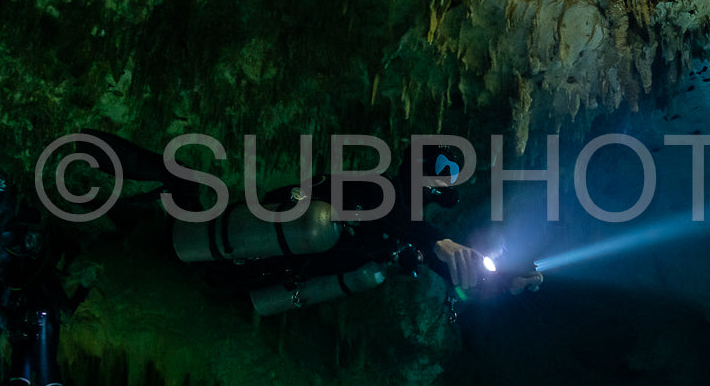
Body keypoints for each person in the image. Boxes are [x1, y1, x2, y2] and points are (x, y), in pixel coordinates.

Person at [77, 131, 541, 316]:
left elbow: (453, 273)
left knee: (176, 201)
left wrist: (503, 281)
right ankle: (103, 174)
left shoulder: (405, 230)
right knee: (174, 201)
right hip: (245, 260)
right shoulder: (375, 189)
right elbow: (403, 222)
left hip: (252, 271)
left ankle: (109, 185)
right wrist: (441, 241)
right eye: (444, 176)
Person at [0, 161, 91, 386]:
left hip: (30, 339)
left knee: (31, 385)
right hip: (29, 339)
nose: (31, 245)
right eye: (28, 238)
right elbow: (65, 310)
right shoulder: (20, 273)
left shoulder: (33, 274)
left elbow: (64, 310)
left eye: (35, 239)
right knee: (29, 384)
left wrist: (84, 285)